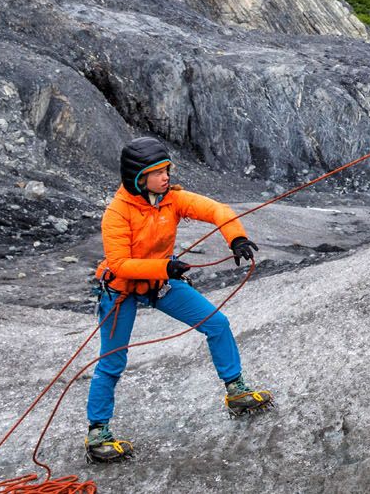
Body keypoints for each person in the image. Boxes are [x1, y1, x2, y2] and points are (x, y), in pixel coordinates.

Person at [84, 136, 273, 464]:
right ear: (138, 178)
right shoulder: (117, 213)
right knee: (112, 361)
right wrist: (166, 266)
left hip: (159, 282)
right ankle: (97, 433)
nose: (166, 177)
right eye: (157, 172)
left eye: (166, 170)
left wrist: (236, 237)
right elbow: (119, 265)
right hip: (122, 290)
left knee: (216, 324)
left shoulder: (171, 199)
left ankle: (237, 391)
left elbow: (217, 210)